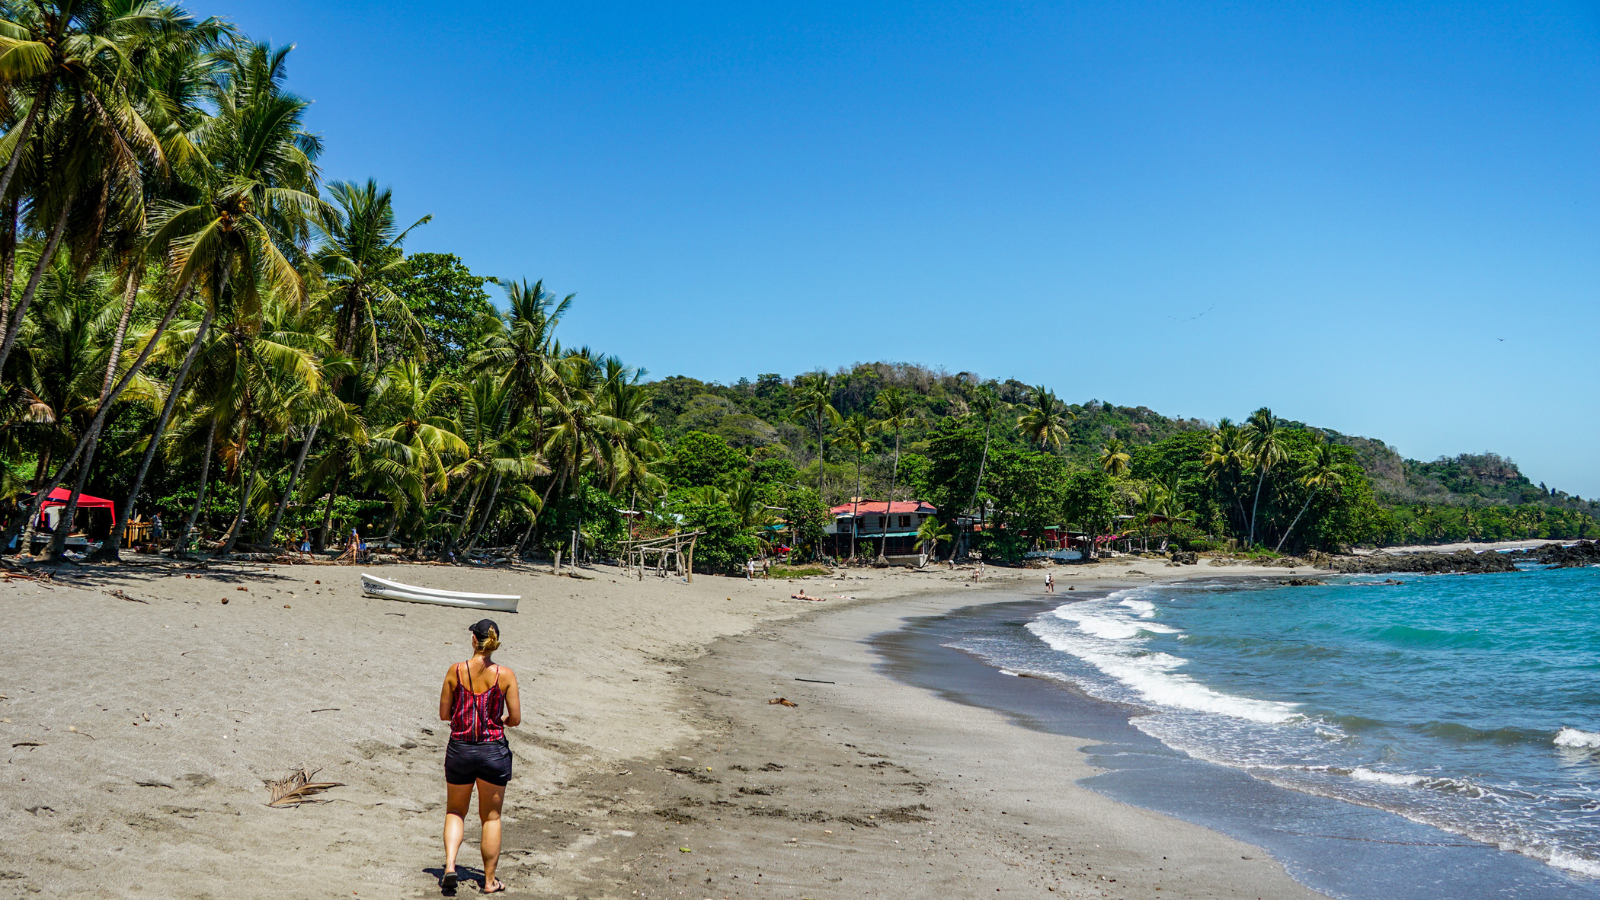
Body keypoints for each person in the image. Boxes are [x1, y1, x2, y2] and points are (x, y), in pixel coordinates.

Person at [439, 620, 522, 894]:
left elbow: (444, 714)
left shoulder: (456, 670)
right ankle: (488, 881)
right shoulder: (505, 675)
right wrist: (501, 721)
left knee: (455, 811)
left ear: (474, 640)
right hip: (492, 751)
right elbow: (515, 719)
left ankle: (450, 866)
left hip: (460, 748)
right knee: (491, 818)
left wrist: (464, 716)